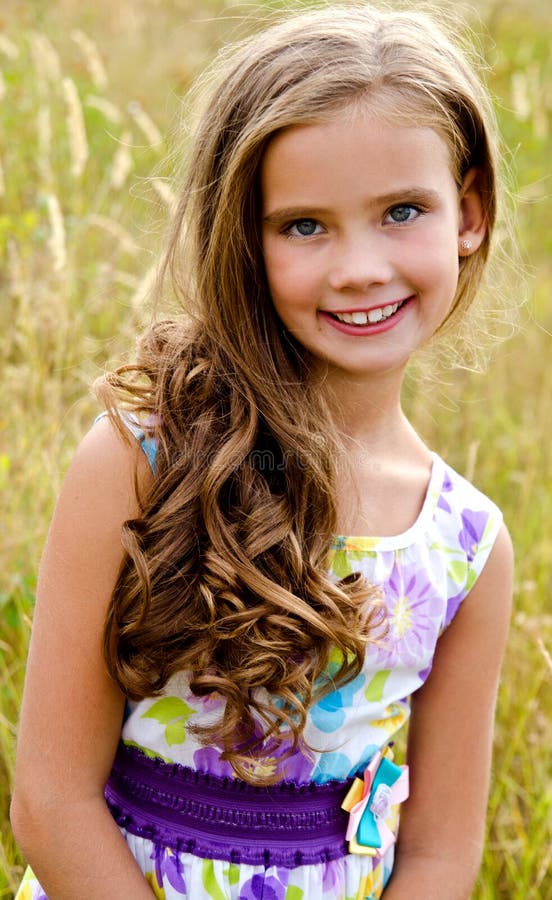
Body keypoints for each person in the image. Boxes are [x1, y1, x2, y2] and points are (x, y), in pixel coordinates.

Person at [11, 4, 515, 898]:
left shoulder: (465, 545)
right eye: (304, 226)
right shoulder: (144, 457)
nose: (359, 266)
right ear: (244, 236)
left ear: (468, 212)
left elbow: (441, 855)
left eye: (402, 210)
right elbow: (51, 801)